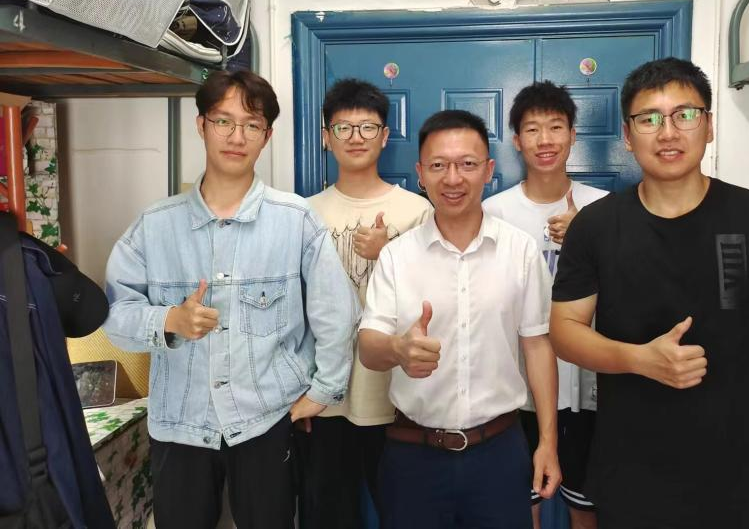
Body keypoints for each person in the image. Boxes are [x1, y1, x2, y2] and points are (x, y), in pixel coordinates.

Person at [550, 57, 749, 529]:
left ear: (709, 125)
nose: (668, 132)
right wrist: (640, 359)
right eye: (649, 119)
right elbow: (564, 330)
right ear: (627, 134)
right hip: (631, 479)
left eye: (685, 115)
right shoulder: (595, 227)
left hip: (745, 480)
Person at [103, 70, 358, 529]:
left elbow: (337, 314)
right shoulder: (155, 225)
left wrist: (322, 391)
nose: (237, 137)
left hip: (267, 421)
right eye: (223, 121)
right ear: (201, 125)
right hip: (179, 424)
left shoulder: (295, 220)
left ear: (267, 136)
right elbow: (115, 317)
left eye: (252, 125)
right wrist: (169, 320)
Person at [358, 109, 562, 529]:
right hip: (413, 455)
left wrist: (547, 441)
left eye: (467, 164)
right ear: (420, 174)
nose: (453, 179)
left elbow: (538, 345)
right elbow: (368, 348)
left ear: (488, 170)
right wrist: (398, 349)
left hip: (499, 452)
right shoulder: (397, 256)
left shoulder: (519, 251)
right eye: (438, 166)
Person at [302, 78, 432, 528]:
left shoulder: (417, 211)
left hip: (395, 397)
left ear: (385, 135)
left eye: (368, 127)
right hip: (324, 397)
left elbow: (435, 300)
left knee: (405, 513)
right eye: (343, 127)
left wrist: (388, 251)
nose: (355, 137)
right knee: (328, 514)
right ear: (326, 136)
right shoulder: (304, 213)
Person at [483, 81, 607, 529]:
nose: (545, 139)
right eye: (532, 129)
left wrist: (587, 239)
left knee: (586, 510)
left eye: (556, 127)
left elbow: (629, 291)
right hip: (518, 391)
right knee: (522, 509)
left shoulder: (604, 209)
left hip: (589, 387)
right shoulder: (494, 212)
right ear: (517, 140)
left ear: (573, 134)